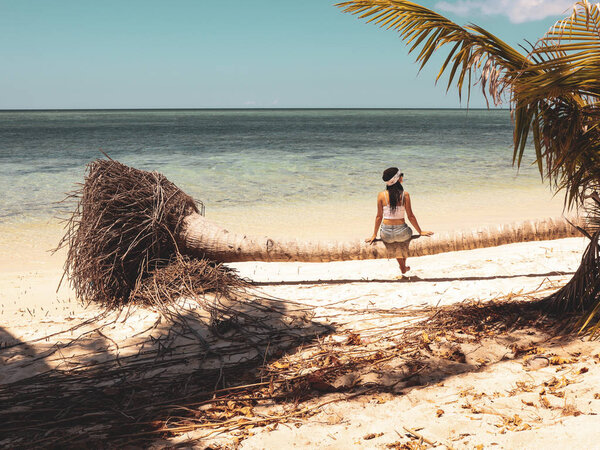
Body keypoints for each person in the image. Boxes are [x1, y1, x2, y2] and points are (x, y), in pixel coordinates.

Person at [365, 167, 433, 275]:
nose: (402, 177)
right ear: (398, 179)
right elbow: (410, 216)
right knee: (403, 240)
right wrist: (420, 231)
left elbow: (379, 216)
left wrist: (374, 234)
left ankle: (402, 267)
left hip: (386, 234)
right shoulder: (405, 195)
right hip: (402, 232)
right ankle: (403, 266)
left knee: (395, 242)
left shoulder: (381, 195)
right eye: (401, 175)